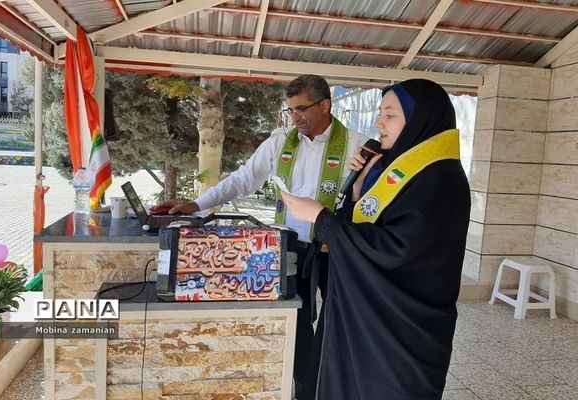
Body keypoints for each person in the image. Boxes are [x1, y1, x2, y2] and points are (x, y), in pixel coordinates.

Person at [154, 74, 368, 398]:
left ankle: (340, 385)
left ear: (325, 106)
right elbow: (242, 179)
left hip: (336, 248)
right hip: (291, 248)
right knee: (297, 320)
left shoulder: (356, 144)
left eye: (302, 109)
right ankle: (306, 388)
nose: (295, 117)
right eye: (290, 110)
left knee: (341, 322)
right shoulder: (280, 142)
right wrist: (197, 204)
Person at [281, 79, 471, 399]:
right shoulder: (399, 170)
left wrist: (321, 218)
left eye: (390, 115)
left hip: (402, 327)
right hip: (371, 317)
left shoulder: (440, 178)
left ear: (420, 119)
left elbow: (398, 251)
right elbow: (369, 227)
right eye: (381, 113)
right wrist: (358, 189)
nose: (378, 122)